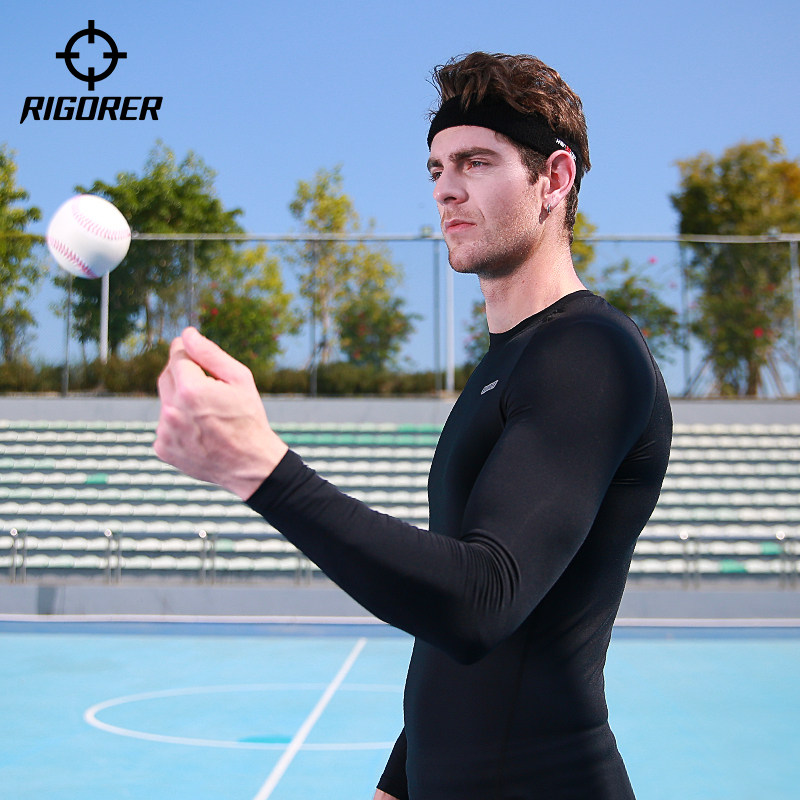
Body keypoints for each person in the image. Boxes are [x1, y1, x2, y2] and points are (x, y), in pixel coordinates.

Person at [155, 52, 672, 799]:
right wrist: (399, 780)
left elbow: (481, 600)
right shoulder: (508, 363)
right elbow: (461, 647)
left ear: (554, 179)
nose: (445, 189)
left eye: (476, 162)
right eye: (436, 168)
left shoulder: (591, 352)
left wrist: (260, 469)